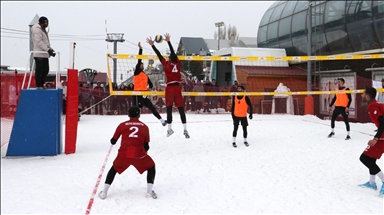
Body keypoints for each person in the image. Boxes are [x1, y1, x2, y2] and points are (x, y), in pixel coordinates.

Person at [98, 106, 157, 199]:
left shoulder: (122, 125)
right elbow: (146, 146)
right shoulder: (145, 127)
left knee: (113, 169)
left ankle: (104, 192)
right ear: (139, 115)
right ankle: (149, 192)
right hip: (138, 154)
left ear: (128, 115)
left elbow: (113, 141)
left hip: (124, 154)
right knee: (151, 166)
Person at [147, 33, 189, 138]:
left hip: (170, 88)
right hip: (177, 88)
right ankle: (185, 130)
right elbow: (173, 53)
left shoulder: (166, 64)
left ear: (169, 59)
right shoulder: (178, 63)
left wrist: (152, 45)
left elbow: (159, 55)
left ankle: (169, 129)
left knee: (169, 108)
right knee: (180, 109)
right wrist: (168, 42)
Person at [358, 86, 384, 196]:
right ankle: (372, 182)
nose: (361, 95)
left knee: (364, 158)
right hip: (382, 135)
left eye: (363, 94)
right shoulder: (376, 104)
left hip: (382, 137)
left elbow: (383, 123)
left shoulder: (372, 106)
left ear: (368, 96)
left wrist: (376, 138)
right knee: (370, 158)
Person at [133, 42, 166, 126]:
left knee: (152, 107)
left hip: (144, 94)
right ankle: (134, 123)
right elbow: (139, 59)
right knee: (136, 110)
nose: (142, 66)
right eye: (141, 65)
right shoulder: (137, 72)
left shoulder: (145, 75)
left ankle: (162, 121)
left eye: (142, 65)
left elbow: (150, 84)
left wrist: (150, 87)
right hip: (137, 94)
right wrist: (140, 49)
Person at [31, 16, 56, 89]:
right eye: (45, 22)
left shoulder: (43, 30)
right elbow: (39, 42)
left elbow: (45, 43)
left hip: (44, 54)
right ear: (41, 23)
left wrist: (51, 50)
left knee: (46, 70)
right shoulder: (37, 30)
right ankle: (38, 85)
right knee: (39, 70)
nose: (47, 24)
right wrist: (47, 50)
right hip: (39, 54)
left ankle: (41, 84)